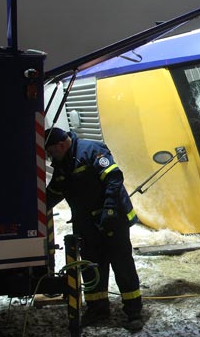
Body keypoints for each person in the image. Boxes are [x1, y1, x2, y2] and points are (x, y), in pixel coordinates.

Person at [44, 127, 143, 331]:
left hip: (112, 220)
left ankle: (133, 312)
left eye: (51, 151)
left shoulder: (91, 150)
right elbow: (55, 190)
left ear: (61, 145)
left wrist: (108, 209)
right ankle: (98, 309)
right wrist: (35, 207)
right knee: (91, 267)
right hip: (87, 225)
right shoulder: (63, 163)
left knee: (122, 265)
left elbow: (113, 178)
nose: (50, 157)